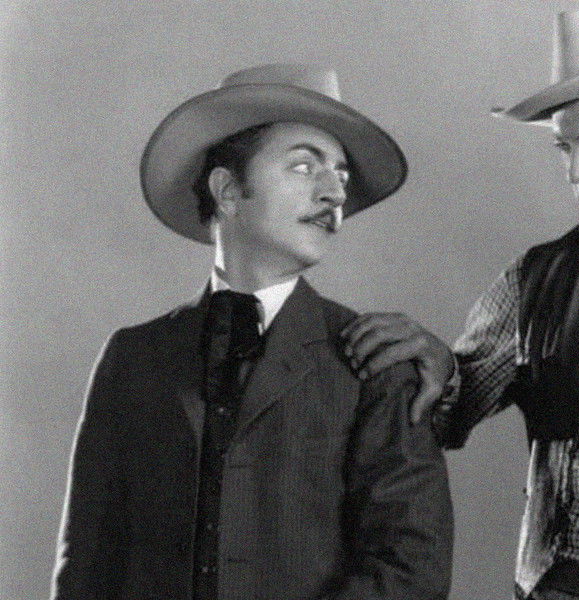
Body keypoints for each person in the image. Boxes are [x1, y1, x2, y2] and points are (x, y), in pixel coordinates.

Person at [50, 64, 453, 600]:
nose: (335, 193)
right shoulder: (133, 357)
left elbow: (410, 572)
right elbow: (86, 565)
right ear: (227, 189)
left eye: (341, 175)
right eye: (305, 166)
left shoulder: (376, 358)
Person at [342, 7, 579, 600]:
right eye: (563, 148)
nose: (576, 172)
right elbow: (445, 415)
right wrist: (436, 366)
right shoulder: (536, 282)